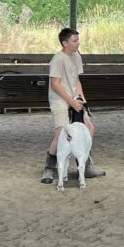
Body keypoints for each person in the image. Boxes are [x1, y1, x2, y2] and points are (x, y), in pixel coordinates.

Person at [40, 28, 106, 184]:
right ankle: (49, 168)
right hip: (59, 99)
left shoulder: (77, 56)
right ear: (65, 43)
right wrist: (71, 101)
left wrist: (82, 99)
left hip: (74, 97)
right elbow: (55, 84)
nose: (78, 43)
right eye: (75, 41)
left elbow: (76, 80)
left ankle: (85, 164)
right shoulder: (58, 59)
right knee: (61, 132)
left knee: (89, 128)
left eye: (78, 40)